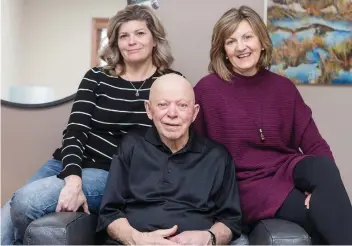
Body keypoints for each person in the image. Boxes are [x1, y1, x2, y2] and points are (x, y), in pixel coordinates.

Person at [1, 4, 182, 245]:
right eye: (123, 36)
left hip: (109, 172)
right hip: (65, 162)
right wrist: (73, 179)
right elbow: (75, 131)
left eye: (140, 33)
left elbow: (175, 139)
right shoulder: (96, 77)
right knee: (9, 213)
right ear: (115, 42)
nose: (131, 41)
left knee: (26, 202)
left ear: (154, 39)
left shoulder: (170, 82)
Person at [193, 5, 352, 245]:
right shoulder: (207, 90)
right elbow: (192, 151)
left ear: (262, 41)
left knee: (323, 168)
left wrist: (321, 191)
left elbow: (315, 143)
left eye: (247, 37)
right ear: (223, 50)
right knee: (318, 214)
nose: (241, 47)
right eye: (231, 41)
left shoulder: (283, 88)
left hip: (285, 168)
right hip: (244, 183)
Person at [96, 73, 242, 245]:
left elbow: (230, 221)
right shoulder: (131, 146)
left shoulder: (217, 156)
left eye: (181, 105)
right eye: (163, 104)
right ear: (149, 110)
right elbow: (109, 213)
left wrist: (209, 238)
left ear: (194, 113)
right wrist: (137, 240)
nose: (172, 113)